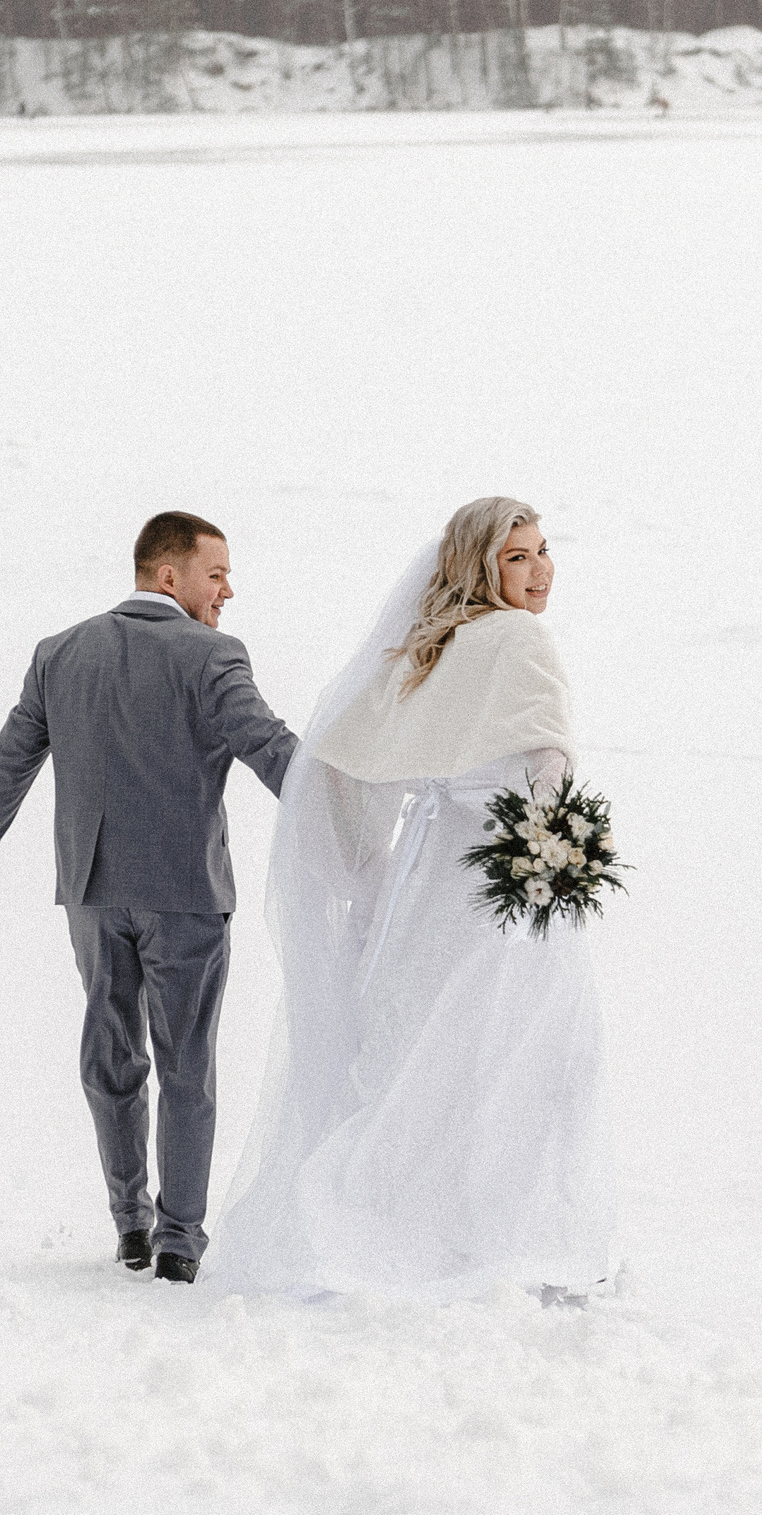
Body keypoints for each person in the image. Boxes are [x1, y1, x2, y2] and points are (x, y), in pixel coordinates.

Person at [211, 497, 618, 1299]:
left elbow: (343, 768)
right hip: (506, 883)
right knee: (529, 1056)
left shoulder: (430, 648)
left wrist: (368, 873)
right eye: (517, 557)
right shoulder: (522, 639)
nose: (540, 571)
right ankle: (501, 1238)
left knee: (419, 1056)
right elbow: (549, 766)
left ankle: (392, 1225)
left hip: (427, 881)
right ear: (478, 566)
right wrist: (551, 861)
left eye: (542, 551)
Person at [0, 511, 296, 1284]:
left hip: (92, 894)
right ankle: (178, 1243)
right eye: (216, 574)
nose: (228, 591)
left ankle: (131, 1224)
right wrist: (355, 822)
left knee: (111, 1055)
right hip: (186, 894)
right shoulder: (214, 655)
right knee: (186, 1066)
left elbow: (7, 767)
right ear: (169, 575)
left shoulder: (61, 653)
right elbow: (271, 749)